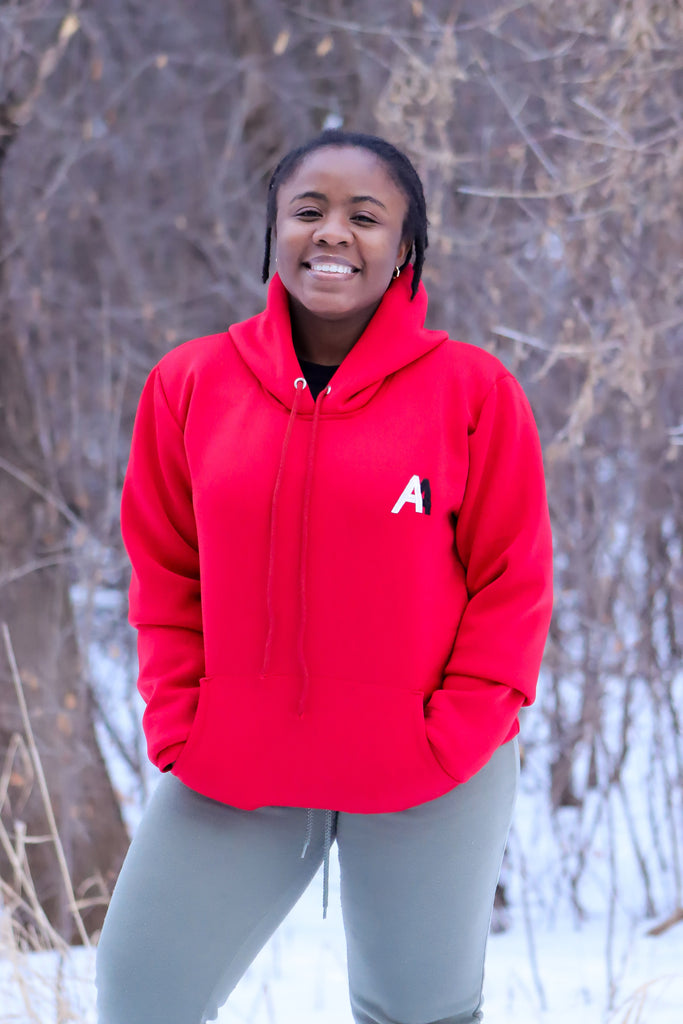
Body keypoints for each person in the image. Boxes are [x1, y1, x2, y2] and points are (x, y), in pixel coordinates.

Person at [96, 129, 553, 1024]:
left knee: (418, 1013)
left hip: (427, 768)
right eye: (307, 211)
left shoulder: (472, 390)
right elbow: (164, 565)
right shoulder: (189, 383)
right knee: (143, 993)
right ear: (273, 233)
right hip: (236, 760)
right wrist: (184, 713)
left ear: (404, 247)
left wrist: (453, 733)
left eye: (364, 216)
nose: (332, 233)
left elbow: (513, 580)